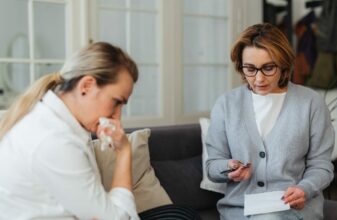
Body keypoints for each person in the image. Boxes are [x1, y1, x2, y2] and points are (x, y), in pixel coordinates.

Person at [0, 42, 200, 220]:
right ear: (86, 86)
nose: (117, 116)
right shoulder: (55, 140)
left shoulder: (62, 123)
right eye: (116, 102)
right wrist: (124, 152)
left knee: (181, 214)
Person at [205, 23, 334, 220]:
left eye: (268, 68)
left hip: (293, 209)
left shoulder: (311, 103)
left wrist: (304, 189)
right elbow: (212, 166)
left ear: (283, 64)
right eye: (250, 69)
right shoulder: (226, 104)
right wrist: (228, 168)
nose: (259, 78)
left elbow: (322, 165)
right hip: (240, 210)